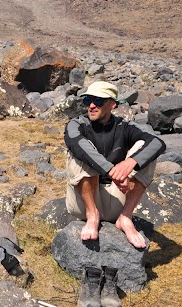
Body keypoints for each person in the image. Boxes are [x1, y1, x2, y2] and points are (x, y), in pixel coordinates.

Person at [64, 81, 166, 249]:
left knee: (146, 151)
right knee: (79, 150)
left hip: (117, 199)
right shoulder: (77, 124)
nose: (91, 106)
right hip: (83, 203)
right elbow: (76, 143)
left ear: (112, 104)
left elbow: (158, 142)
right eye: (88, 100)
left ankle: (125, 218)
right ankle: (93, 215)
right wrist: (112, 170)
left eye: (98, 101)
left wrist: (130, 163)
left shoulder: (124, 127)